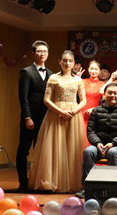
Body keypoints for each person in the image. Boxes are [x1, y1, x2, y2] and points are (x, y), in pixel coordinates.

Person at [28, 50, 86, 193]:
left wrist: (73, 111)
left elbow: (83, 100)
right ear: (60, 61)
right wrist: (61, 112)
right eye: (64, 60)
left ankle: (71, 183)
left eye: (70, 61)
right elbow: (46, 100)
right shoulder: (53, 78)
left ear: (74, 63)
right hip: (55, 115)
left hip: (73, 115)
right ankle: (53, 182)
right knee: (55, 147)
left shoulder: (78, 80)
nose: (67, 63)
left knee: (72, 148)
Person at [79, 82, 117, 195]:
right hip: (99, 146)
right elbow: (90, 131)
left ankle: (114, 188)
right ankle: (87, 188)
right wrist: (97, 143)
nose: (112, 95)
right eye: (109, 93)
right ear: (104, 95)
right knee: (88, 151)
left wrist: (113, 143)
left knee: (113, 152)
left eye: (115, 93)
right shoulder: (96, 111)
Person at [16, 40, 53, 191]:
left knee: (41, 151)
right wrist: (27, 117)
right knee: (24, 150)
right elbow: (23, 97)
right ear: (33, 53)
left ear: (48, 54)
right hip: (30, 118)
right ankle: (23, 183)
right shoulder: (26, 72)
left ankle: (38, 182)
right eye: (39, 51)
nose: (42, 54)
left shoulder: (51, 74)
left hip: (45, 118)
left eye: (45, 51)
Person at [81, 60, 104, 146]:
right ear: (88, 69)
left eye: (96, 69)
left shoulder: (103, 84)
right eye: (91, 69)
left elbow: (105, 103)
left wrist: (94, 109)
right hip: (81, 113)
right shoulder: (82, 81)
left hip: (95, 114)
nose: (93, 71)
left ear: (99, 71)